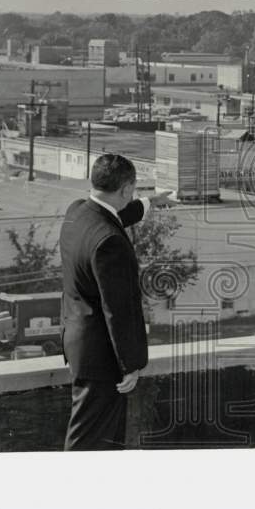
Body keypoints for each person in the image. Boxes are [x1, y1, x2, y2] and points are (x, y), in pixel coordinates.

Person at [59, 152, 170, 450]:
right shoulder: (111, 242)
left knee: (96, 437)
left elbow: (114, 215)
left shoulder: (77, 212)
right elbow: (118, 310)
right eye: (132, 191)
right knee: (91, 441)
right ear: (124, 190)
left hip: (79, 343)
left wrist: (150, 203)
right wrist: (130, 364)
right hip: (102, 358)